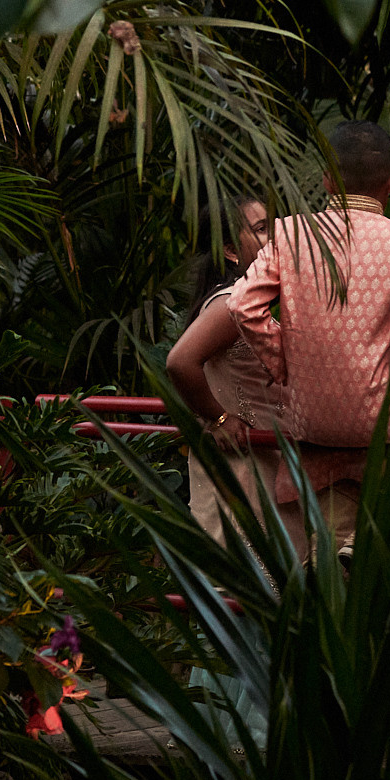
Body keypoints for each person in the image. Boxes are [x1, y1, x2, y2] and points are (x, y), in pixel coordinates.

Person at [167, 121, 390, 561]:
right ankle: (362, 547)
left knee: (320, 518)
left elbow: (245, 306)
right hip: (377, 418)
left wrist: (286, 365)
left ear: (326, 179)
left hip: (305, 421)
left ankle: (340, 555)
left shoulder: (288, 234)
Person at [165, 196, 282, 548]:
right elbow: (179, 363)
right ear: (231, 251)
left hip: (264, 461)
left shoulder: (250, 301)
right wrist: (218, 419)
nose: (273, 239)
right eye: (261, 230)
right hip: (243, 466)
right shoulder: (232, 303)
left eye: (271, 227)